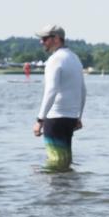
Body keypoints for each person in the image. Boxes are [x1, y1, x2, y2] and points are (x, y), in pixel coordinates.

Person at [33, 24, 86, 171]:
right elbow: (83, 90)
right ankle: (68, 192)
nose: (41, 42)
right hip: (70, 119)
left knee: (55, 162)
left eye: (44, 39)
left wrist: (39, 120)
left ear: (56, 39)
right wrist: (78, 117)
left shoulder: (55, 60)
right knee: (65, 160)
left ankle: (56, 193)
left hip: (55, 118)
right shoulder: (75, 58)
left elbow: (51, 90)